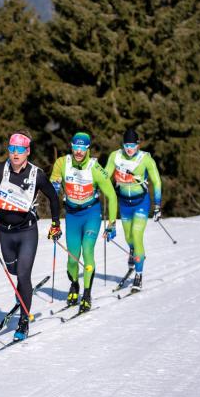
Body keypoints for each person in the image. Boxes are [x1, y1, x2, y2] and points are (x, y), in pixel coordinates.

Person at [0, 131, 61, 340]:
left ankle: (23, 322)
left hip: (28, 230)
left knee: (23, 274)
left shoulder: (37, 174)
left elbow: (54, 199)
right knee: (13, 269)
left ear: (27, 151)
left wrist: (55, 224)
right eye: (12, 149)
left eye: (20, 149)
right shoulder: (0, 169)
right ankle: (22, 292)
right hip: (5, 231)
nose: (15, 153)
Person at [49, 132, 117, 312]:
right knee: (72, 258)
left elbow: (111, 195)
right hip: (72, 215)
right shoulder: (62, 163)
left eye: (83, 148)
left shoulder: (96, 168)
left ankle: (86, 294)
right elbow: (52, 186)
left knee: (87, 250)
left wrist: (111, 224)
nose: (79, 152)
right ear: (71, 146)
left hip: (91, 214)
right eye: (76, 147)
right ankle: (74, 285)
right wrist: (53, 186)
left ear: (88, 148)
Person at [104, 129, 162, 293]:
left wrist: (157, 205)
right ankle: (133, 251)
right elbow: (106, 175)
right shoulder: (115, 156)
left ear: (138, 145)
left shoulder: (146, 159)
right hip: (124, 203)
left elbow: (156, 182)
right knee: (129, 238)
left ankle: (138, 275)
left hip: (141, 204)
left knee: (137, 237)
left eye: (132, 146)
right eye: (126, 145)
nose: (129, 149)